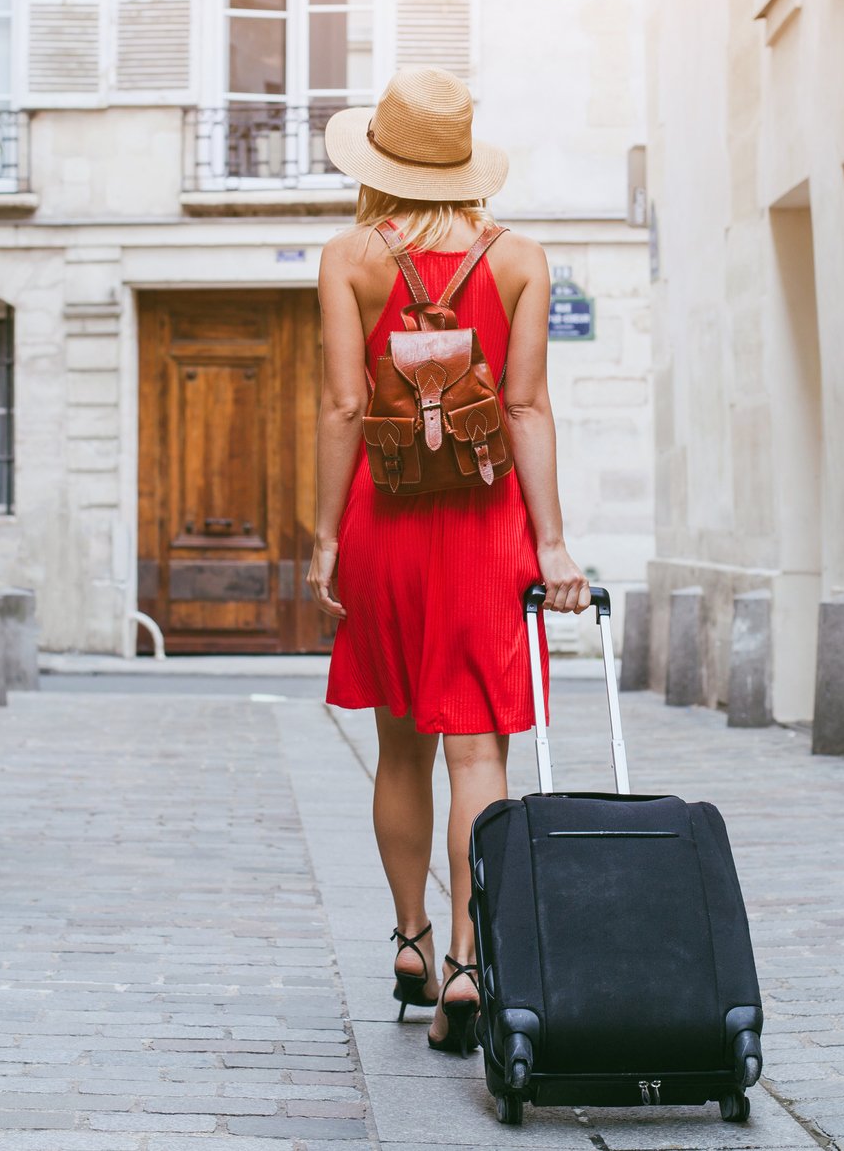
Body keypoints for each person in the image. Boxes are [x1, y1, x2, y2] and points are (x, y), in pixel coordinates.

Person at [306, 66, 592, 1056]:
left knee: (399, 750)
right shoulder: (520, 257)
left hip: (386, 522)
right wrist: (552, 543)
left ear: (379, 163)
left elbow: (344, 406)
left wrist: (326, 537)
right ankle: (472, 960)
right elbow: (525, 407)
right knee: (480, 752)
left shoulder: (348, 256)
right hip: (486, 529)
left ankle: (411, 940)